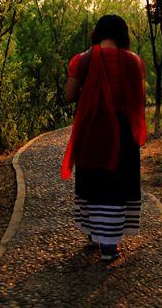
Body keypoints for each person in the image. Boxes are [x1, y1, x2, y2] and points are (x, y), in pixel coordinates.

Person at [61, 14, 147, 262]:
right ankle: (110, 247)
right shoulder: (134, 62)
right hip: (122, 134)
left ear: (97, 33)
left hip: (91, 128)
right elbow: (138, 98)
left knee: (93, 181)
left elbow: (69, 96)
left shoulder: (82, 61)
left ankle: (93, 234)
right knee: (116, 184)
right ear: (123, 35)